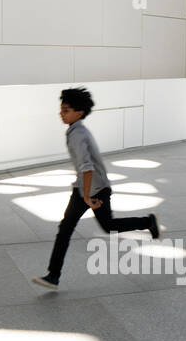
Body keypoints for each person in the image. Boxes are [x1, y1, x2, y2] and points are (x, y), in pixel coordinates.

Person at [31, 87, 160, 290]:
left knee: (82, 228)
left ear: (79, 112)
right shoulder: (76, 129)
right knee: (96, 226)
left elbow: (87, 168)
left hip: (92, 189)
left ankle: (53, 276)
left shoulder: (77, 134)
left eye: (66, 110)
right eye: (61, 109)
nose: (61, 113)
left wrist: (87, 197)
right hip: (86, 188)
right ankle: (53, 276)